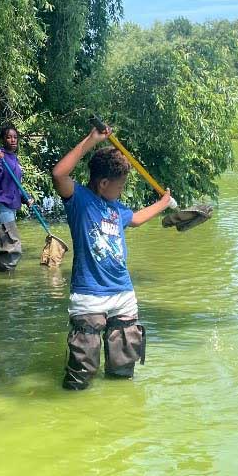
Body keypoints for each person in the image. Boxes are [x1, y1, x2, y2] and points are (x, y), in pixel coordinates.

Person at [51, 124, 172, 390]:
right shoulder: (80, 201)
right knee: (81, 373)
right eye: (120, 186)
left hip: (123, 294)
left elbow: (136, 219)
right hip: (89, 295)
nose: (122, 191)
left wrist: (163, 203)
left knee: (123, 369)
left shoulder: (116, 209)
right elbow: (59, 174)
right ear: (104, 183)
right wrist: (91, 139)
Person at [0, 124, 29, 272]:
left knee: (3, 242)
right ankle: (7, 278)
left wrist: (26, 198)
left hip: (12, 203)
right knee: (12, 243)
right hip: (0, 201)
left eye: (15, 137)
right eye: (9, 137)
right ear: (3, 139)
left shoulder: (14, 158)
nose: (13, 140)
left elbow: (15, 184)